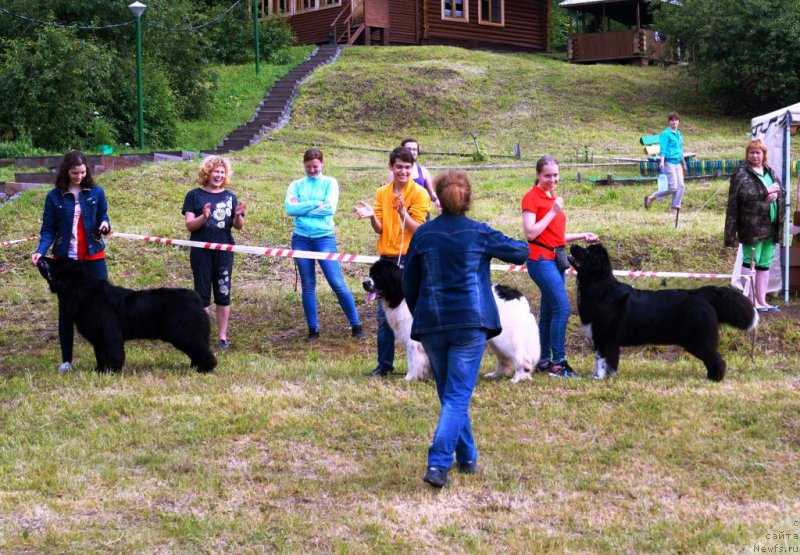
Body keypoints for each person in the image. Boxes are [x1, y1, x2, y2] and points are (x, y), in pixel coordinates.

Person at [402, 170, 529, 488]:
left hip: (432, 323)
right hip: (470, 324)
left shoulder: (423, 235)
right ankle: (438, 463)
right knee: (457, 395)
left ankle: (468, 456)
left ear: (438, 199)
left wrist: (420, 314)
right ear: (468, 200)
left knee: (450, 393)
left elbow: (409, 282)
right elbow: (520, 251)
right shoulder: (479, 232)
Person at [31, 150, 110, 373]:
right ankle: (66, 360)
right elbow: (48, 229)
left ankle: (104, 358)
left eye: (83, 172)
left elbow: (104, 216)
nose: (79, 176)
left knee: (101, 307)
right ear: (66, 171)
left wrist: (105, 225)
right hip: (66, 260)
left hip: (93, 256)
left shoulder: (96, 192)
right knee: (66, 310)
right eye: (75, 173)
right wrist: (40, 251)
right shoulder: (54, 197)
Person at [355, 146, 431, 377]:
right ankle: (384, 365)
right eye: (399, 167)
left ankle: (423, 364)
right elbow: (379, 229)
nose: (403, 171)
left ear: (413, 168)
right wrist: (372, 217)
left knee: (413, 313)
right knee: (384, 315)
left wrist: (403, 214)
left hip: (410, 259)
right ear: (391, 167)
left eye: (407, 167)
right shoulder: (382, 193)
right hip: (387, 259)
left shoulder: (420, 194)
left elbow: (419, 230)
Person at [522, 155, 598, 378]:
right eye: (547, 176)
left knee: (548, 312)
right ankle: (558, 363)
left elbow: (555, 237)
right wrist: (553, 211)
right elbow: (531, 233)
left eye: (555, 175)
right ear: (537, 175)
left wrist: (582, 235)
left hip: (556, 259)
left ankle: (543, 360)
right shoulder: (531, 198)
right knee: (562, 308)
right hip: (540, 260)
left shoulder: (551, 198)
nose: (552, 180)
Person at [285, 148, 364, 341]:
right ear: (304, 165)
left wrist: (303, 207)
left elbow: (329, 209)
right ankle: (313, 330)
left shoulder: (330, 183)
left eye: (315, 167)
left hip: (324, 238)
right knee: (308, 285)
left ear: (322, 164)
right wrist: (315, 203)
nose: (312, 170)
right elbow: (290, 209)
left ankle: (356, 324)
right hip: (301, 239)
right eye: (308, 167)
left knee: (336, 282)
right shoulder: (296, 185)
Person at [182, 155, 246, 349]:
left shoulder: (230, 196)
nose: (219, 175)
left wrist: (238, 216)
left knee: (223, 292)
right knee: (202, 294)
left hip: (224, 251)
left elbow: (238, 226)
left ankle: (222, 338)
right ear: (207, 173)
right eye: (215, 171)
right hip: (201, 251)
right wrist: (204, 217)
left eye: (222, 172)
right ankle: (203, 337)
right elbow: (189, 225)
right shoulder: (193, 195)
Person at [724, 139, 785, 312]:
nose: (755, 155)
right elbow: (743, 196)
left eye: (758, 152)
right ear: (747, 154)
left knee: (764, 264)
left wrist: (776, 194)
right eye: (752, 152)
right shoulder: (741, 174)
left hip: (771, 225)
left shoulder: (769, 171)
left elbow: (781, 190)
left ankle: (761, 301)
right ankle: (749, 303)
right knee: (750, 262)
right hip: (752, 227)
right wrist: (766, 192)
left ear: (764, 154)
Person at [644, 112, 687, 213]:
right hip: (669, 163)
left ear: (679, 122)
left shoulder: (678, 133)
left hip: (677, 163)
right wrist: (662, 162)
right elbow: (663, 149)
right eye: (672, 120)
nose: (674, 122)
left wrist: (684, 163)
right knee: (673, 187)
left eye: (676, 120)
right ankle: (651, 197)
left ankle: (674, 210)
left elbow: (680, 149)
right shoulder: (666, 133)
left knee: (681, 186)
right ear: (669, 122)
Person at [387, 138, 440, 213]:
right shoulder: (394, 174)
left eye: (414, 149)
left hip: (421, 213)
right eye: (409, 149)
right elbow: (389, 195)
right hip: (400, 213)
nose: (412, 152)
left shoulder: (423, 171)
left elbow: (431, 193)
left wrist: (439, 200)